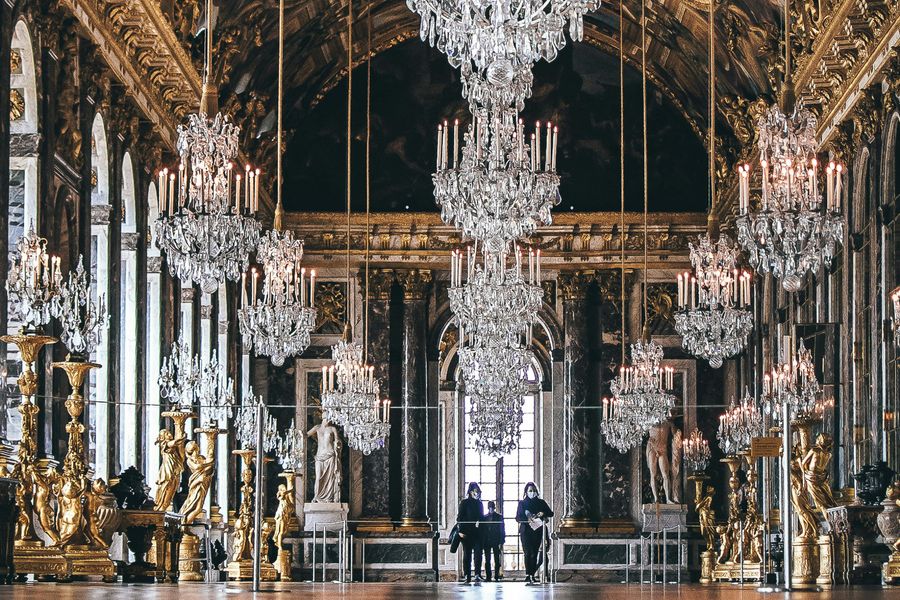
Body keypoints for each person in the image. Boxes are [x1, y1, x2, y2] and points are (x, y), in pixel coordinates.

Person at [516, 482, 553, 584]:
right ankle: (528, 574)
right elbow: (518, 517)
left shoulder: (541, 502)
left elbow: (551, 513)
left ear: (536, 491)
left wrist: (543, 513)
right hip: (525, 531)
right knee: (527, 553)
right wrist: (527, 519)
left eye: (533, 490)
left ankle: (532, 574)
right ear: (526, 492)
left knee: (534, 553)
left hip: (537, 530)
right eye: (530, 491)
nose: (532, 492)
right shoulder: (522, 503)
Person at [456, 482, 484, 583]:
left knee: (478, 554)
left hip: (478, 533)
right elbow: (459, 518)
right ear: (471, 492)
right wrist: (460, 531)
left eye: (479, 491)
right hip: (466, 533)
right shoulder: (464, 503)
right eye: (476, 491)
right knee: (467, 554)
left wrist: (480, 521)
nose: (478, 493)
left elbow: (481, 517)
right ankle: (467, 575)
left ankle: (477, 574)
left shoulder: (480, 504)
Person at [480, 501, 506, 581]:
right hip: (487, 540)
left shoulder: (498, 517)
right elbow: (482, 531)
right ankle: (488, 577)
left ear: (494, 508)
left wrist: (501, 541)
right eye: (490, 507)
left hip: (496, 540)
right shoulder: (484, 517)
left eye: (492, 507)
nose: (491, 508)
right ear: (488, 508)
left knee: (496, 559)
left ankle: (496, 576)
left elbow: (502, 530)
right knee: (487, 559)